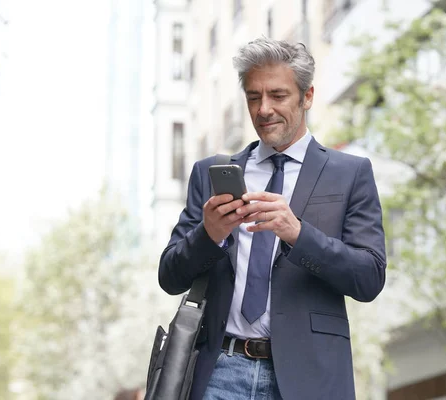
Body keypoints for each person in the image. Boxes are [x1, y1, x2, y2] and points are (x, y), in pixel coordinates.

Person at [158, 37, 386, 400]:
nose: (263, 109)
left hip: (308, 378)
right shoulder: (211, 173)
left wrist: (297, 233)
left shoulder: (350, 173)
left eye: (278, 96)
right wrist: (209, 234)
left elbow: (369, 278)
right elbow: (169, 276)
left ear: (306, 97)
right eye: (253, 96)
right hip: (219, 372)